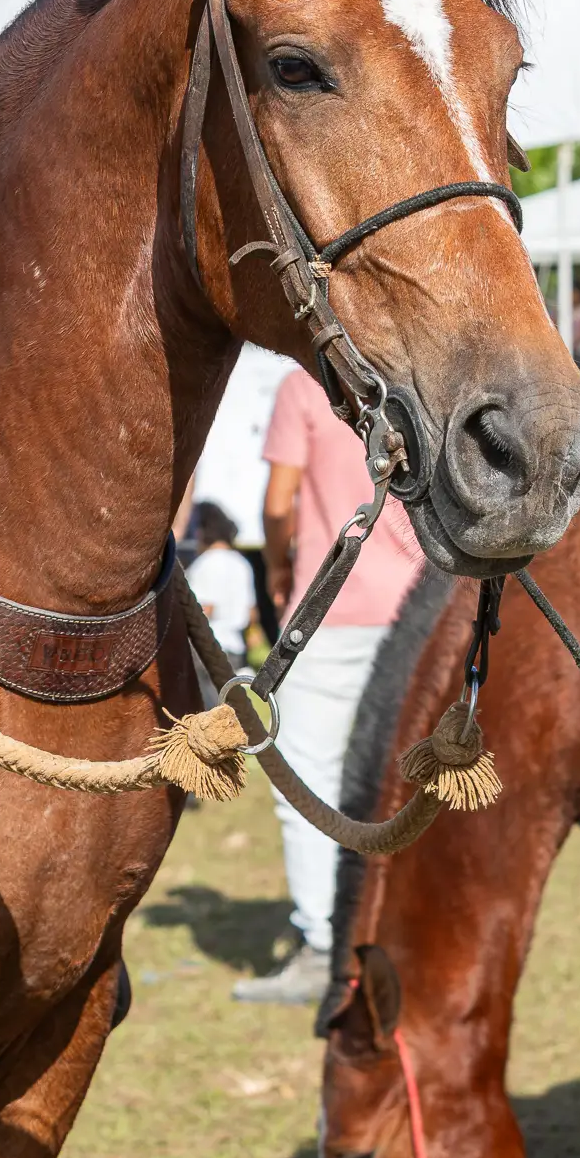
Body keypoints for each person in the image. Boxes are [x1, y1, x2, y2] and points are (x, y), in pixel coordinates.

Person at [231, 367, 423, 1006]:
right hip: (413, 614)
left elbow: (278, 503)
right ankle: (396, 932)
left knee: (306, 782)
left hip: (325, 611)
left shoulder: (300, 386)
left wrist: (282, 573)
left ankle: (323, 946)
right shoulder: (410, 377)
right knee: (399, 783)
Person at [184, 501, 257, 671]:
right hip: (237, 649)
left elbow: (205, 608)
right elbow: (251, 613)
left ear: (202, 531)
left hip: (207, 651)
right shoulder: (242, 563)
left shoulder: (205, 563)